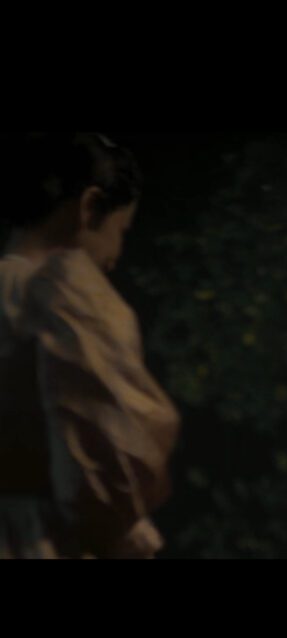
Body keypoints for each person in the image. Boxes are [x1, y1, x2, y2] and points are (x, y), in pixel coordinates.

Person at [0, 133, 179, 558]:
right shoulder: (62, 296)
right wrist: (123, 530)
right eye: (120, 230)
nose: (115, 256)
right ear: (89, 207)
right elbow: (102, 466)